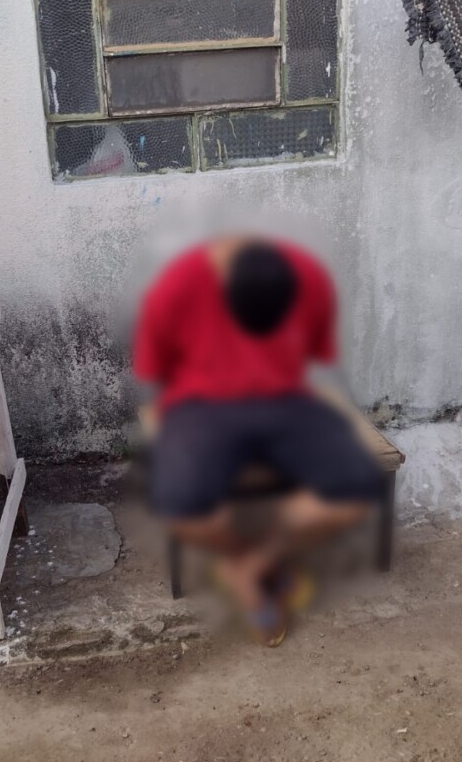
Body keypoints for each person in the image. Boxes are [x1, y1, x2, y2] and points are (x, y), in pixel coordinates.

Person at [134, 235, 385, 646]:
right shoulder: (174, 288)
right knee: (180, 505)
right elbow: (154, 370)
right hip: (199, 405)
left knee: (357, 488)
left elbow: (314, 353)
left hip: (285, 399)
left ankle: (253, 565)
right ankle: (243, 559)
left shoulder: (310, 278)